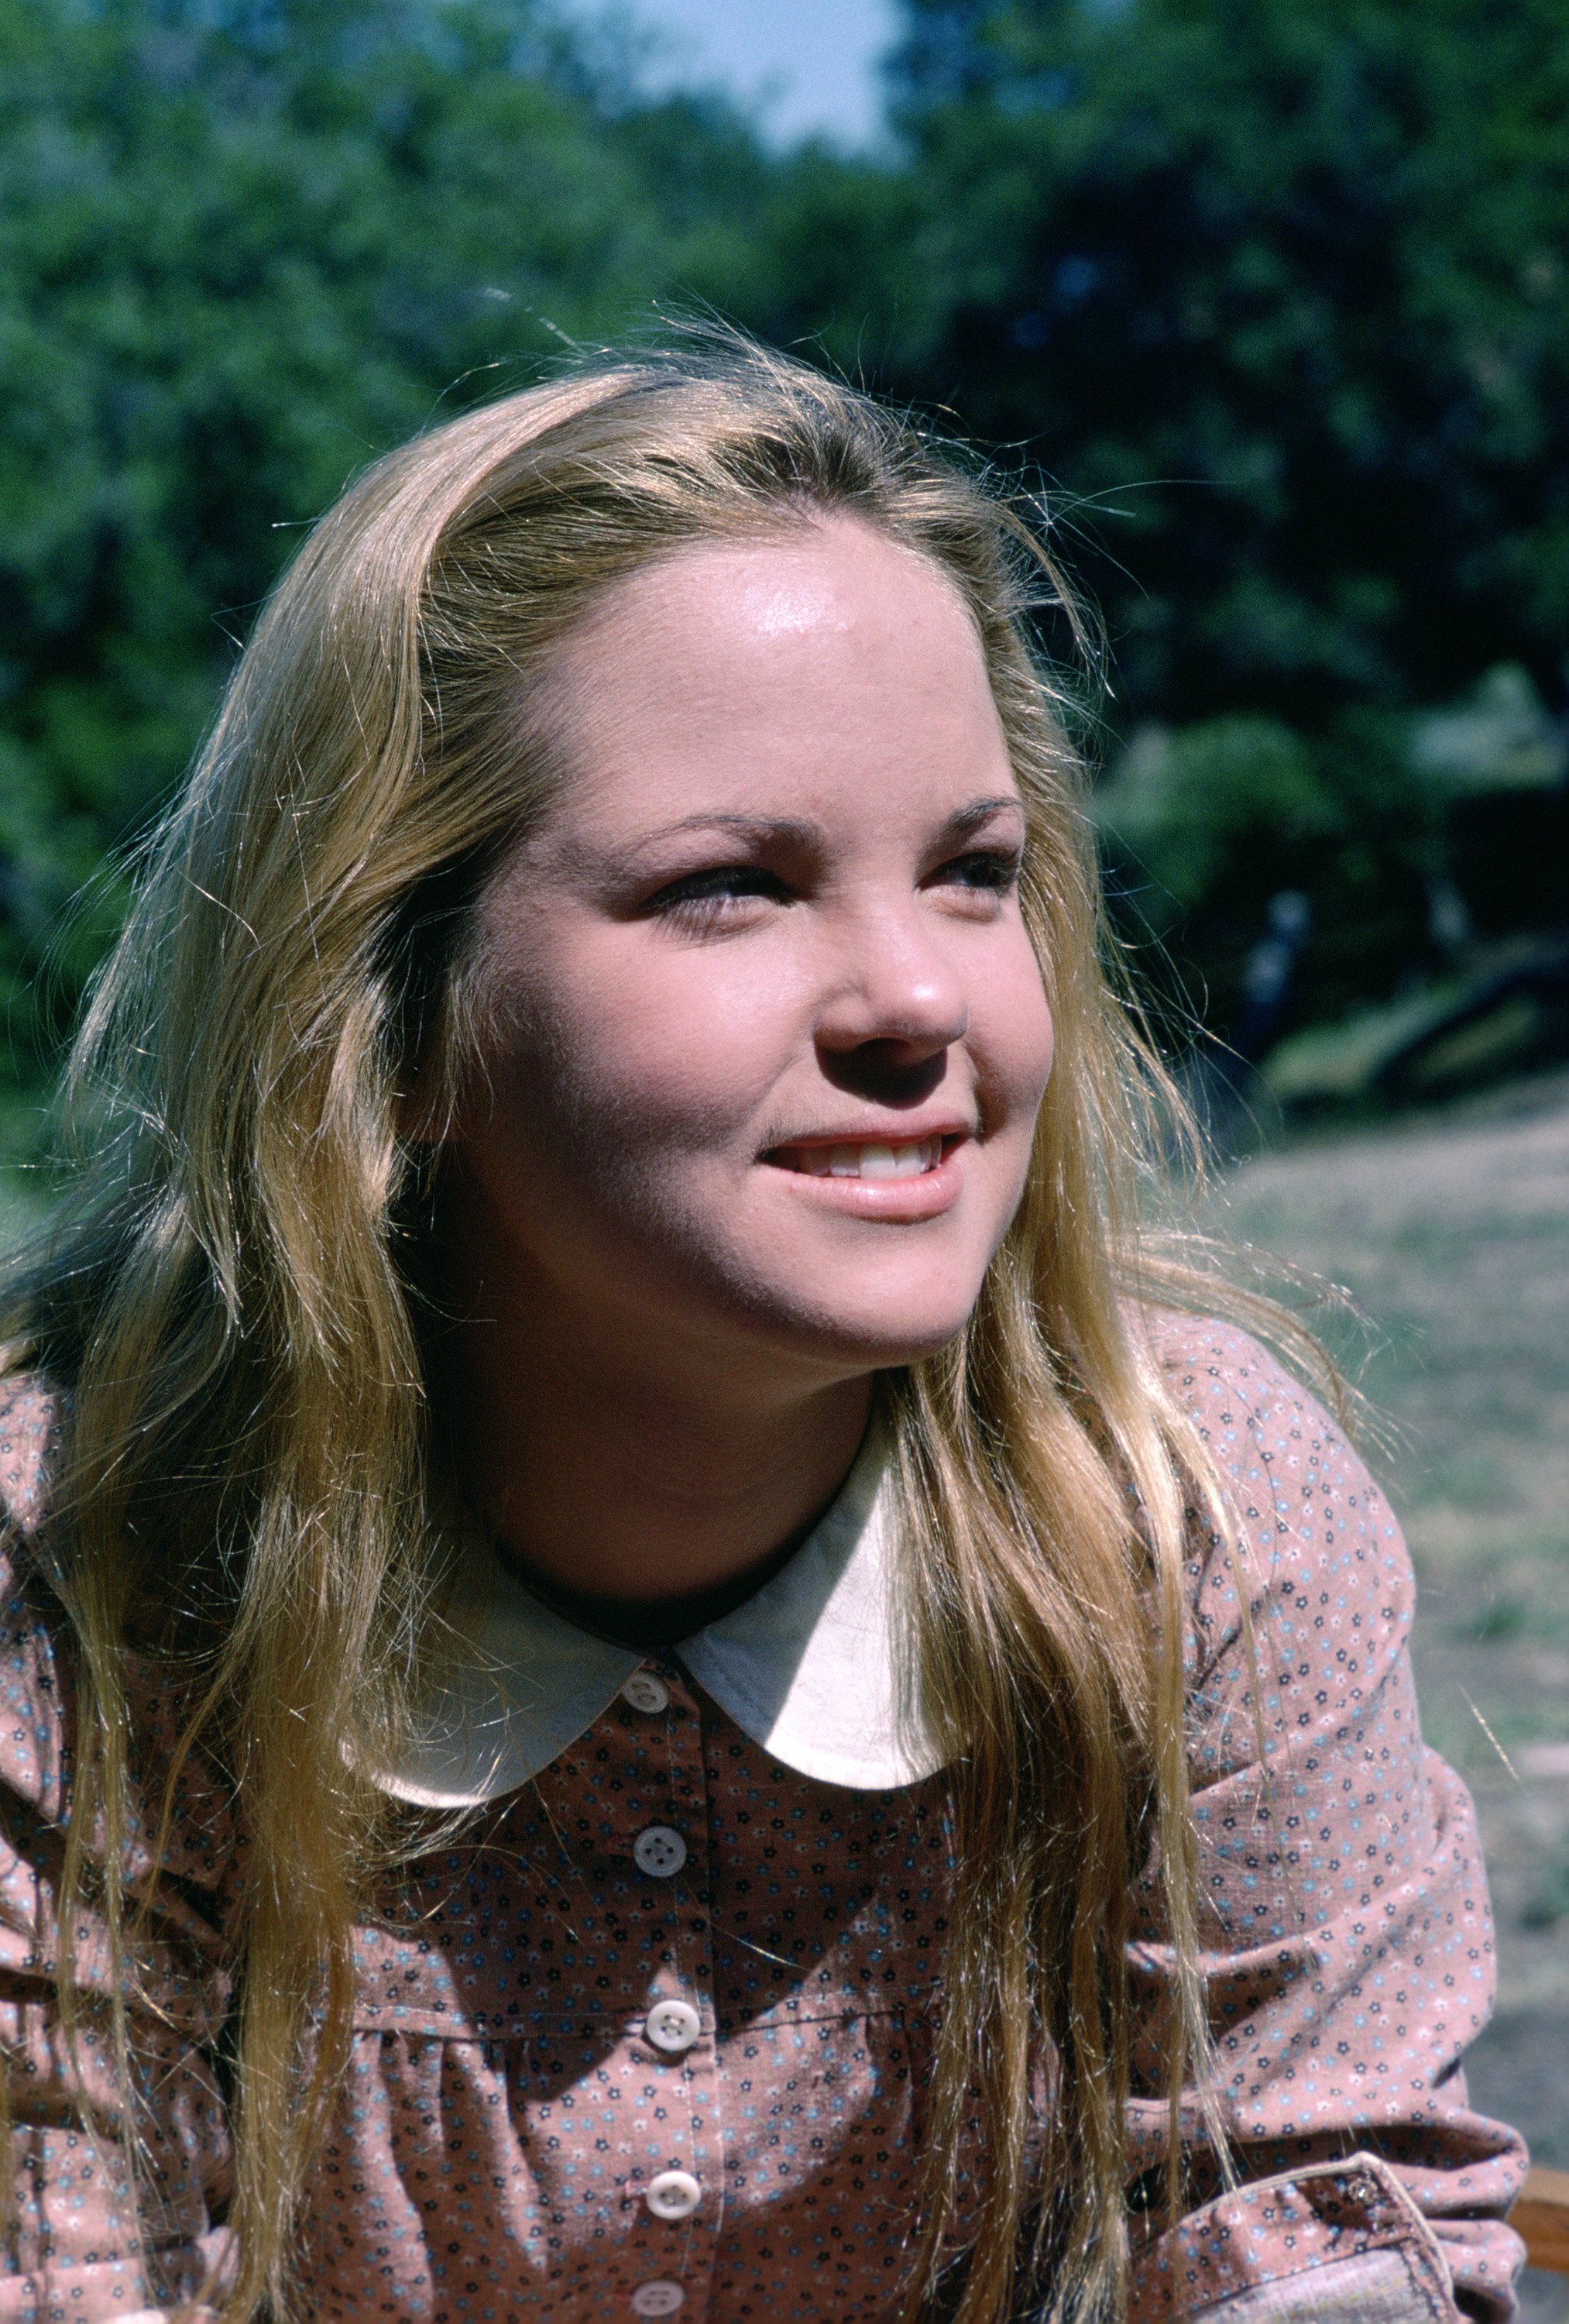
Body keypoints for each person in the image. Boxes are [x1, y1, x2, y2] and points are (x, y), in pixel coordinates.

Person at [0, 342, 1525, 2324]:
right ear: (383, 1012)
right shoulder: (85, 1558)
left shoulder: (1182, 1512)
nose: (915, 998)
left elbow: (1323, 2225)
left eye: (974, 873)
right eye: (729, 887)